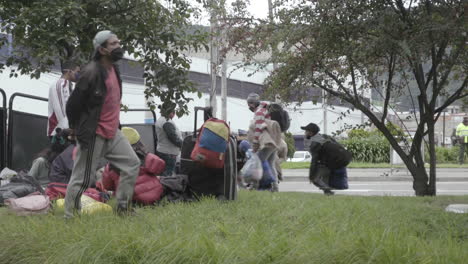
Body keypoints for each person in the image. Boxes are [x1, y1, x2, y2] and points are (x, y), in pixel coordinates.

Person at [64, 30, 140, 218]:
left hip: (113, 131)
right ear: (102, 50)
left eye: (118, 43)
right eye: (113, 44)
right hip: (94, 133)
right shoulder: (90, 72)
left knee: (132, 164)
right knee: (83, 178)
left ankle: (123, 209)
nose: (118, 47)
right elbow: (73, 104)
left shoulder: (115, 69)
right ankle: (70, 217)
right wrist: (74, 128)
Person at [101, 127, 165, 205]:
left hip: (129, 199)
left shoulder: (111, 166)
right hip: (154, 196)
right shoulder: (146, 157)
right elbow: (160, 167)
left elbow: (107, 185)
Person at [246, 93, 281, 192]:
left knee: (257, 162)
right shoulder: (265, 109)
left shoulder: (259, 112)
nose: (249, 106)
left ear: (253, 103)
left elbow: (258, 130)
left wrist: (255, 145)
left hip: (267, 142)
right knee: (270, 164)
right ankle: (275, 187)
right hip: (272, 141)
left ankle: (254, 186)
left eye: (249, 104)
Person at [302, 123, 349, 195]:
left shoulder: (315, 143)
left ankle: (328, 190)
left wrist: (311, 175)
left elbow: (314, 160)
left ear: (311, 133)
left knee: (315, 179)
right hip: (336, 161)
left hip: (327, 163)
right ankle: (328, 194)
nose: (305, 133)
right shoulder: (325, 136)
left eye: (306, 131)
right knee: (325, 180)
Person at [47, 61, 80, 136]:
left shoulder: (68, 85)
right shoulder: (61, 84)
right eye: (77, 71)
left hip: (65, 130)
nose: (78, 74)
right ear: (69, 71)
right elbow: (61, 108)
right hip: (59, 131)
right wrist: (67, 129)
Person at [155, 102, 183, 176]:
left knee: (163, 174)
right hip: (168, 154)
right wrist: (183, 145)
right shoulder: (166, 122)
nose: (174, 114)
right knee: (167, 176)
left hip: (163, 151)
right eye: (173, 112)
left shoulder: (161, 120)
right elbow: (172, 137)